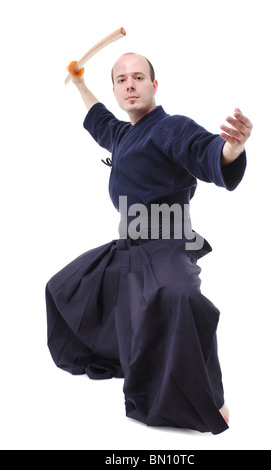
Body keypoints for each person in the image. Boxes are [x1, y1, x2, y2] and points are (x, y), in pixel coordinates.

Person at [46, 52, 252, 435]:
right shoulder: (123, 135)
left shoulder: (171, 128)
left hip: (166, 243)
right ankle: (129, 359)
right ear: (116, 89)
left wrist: (231, 149)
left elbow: (206, 151)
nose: (129, 84)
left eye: (138, 77)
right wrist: (79, 83)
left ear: (153, 86)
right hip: (128, 247)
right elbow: (99, 120)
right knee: (65, 287)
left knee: (181, 298)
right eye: (121, 80)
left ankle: (211, 397)